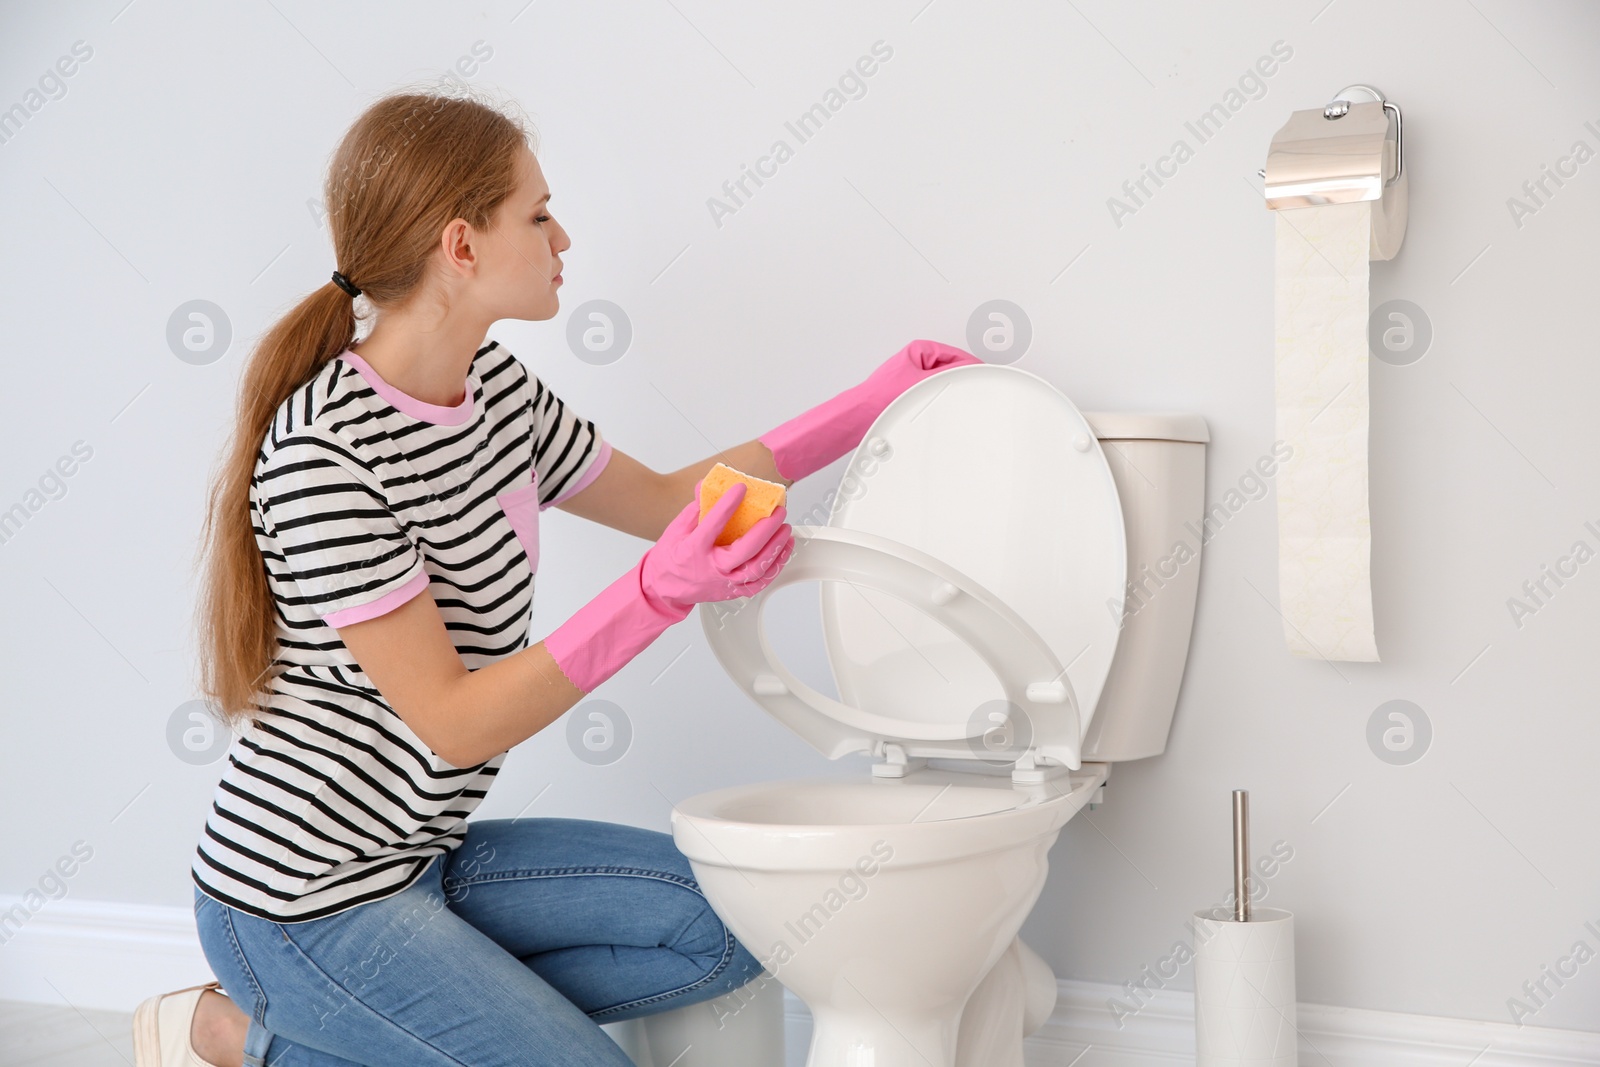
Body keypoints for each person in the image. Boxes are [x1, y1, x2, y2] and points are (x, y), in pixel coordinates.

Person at [133, 87, 979, 1067]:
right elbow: (455, 721)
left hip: (422, 860)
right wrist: (663, 591)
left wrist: (876, 400)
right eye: (537, 215)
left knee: (742, 924)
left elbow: (671, 500)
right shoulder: (326, 454)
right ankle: (246, 1035)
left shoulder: (490, 388)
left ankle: (412, 1020)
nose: (562, 235)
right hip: (297, 905)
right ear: (462, 246)